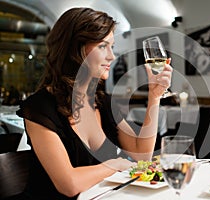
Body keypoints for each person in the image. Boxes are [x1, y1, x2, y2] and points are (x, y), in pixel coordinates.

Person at [16, 7, 172, 199]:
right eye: (102, 46)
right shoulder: (39, 107)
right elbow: (69, 185)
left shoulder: (103, 101)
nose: (111, 56)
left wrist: (154, 97)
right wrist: (115, 164)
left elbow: (141, 156)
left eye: (112, 47)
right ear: (75, 49)